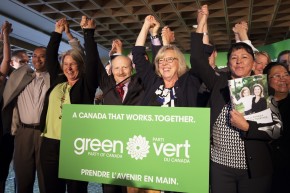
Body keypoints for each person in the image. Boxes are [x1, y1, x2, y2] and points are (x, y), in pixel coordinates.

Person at [190, 5, 282, 193]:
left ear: (252, 63)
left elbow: (277, 130)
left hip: (254, 170)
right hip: (220, 167)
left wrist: (248, 127)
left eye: (244, 57)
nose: (239, 61)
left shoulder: (262, 88)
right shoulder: (218, 82)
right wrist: (201, 23)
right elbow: (198, 60)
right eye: (234, 58)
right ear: (229, 62)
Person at [39, 16, 99, 193]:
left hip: (76, 145)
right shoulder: (57, 81)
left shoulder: (86, 85)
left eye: (73, 64)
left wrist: (88, 34)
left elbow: (93, 62)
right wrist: (57, 32)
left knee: (76, 189)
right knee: (51, 189)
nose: (69, 68)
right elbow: (50, 57)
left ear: (80, 66)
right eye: (66, 64)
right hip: (50, 145)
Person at [133, 15, 200, 107]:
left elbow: (199, 60)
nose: (164, 63)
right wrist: (146, 25)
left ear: (179, 62)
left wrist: (202, 23)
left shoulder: (188, 83)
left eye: (170, 59)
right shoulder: (152, 81)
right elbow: (138, 55)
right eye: (161, 60)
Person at [263, 62, 290, 193]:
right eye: (277, 76)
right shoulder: (260, 106)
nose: (283, 78)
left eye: (286, 74)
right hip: (265, 169)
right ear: (266, 80)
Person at [0, 21, 12, 193]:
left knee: (1, 174)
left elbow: (7, 59)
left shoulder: (0, 79)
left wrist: (6, 38)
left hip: (2, 134)